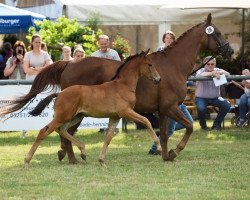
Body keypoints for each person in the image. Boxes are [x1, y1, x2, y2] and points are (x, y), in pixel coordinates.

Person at [148, 31, 193, 155]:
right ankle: (155, 148)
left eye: (171, 38)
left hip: (176, 95)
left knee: (188, 122)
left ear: (174, 40)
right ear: (164, 40)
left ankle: (163, 133)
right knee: (171, 128)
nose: (169, 40)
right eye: (167, 38)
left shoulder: (177, 53)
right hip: (168, 96)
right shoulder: (160, 51)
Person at [92, 34, 121, 133]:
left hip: (112, 85)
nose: (103, 45)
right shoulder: (94, 55)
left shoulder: (114, 53)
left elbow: (120, 68)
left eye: (105, 43)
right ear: (98, 44)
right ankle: (102, 127)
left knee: (114, 105)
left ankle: (113, 127)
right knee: (101, 105)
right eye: (101, 44)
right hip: (100, 85)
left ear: (108, 43)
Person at [195, 56, 231, 131]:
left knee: (226, 105)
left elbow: (228, 74)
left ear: (215, 64)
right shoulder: (200, 70)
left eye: (212, 64)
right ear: (204, 64)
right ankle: (204, 126)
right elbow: (199, 75)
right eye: (208, 64)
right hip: (201, 98)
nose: (210, 65)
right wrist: (212, 73)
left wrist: (219, 73)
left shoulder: (217, 70)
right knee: (201, 108)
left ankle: (216, 125)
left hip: (215, 98)